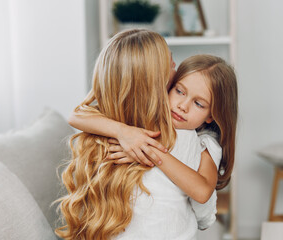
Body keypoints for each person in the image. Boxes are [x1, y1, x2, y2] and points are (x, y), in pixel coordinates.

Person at [68, 52, 238, 238]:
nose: (183, 105)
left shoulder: (206, 143)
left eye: (198, 103)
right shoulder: (144, 119)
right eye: (179, 91)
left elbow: (203, 191)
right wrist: (124, 133)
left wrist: (148, 150)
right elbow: (76, 117)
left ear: (211, 115)